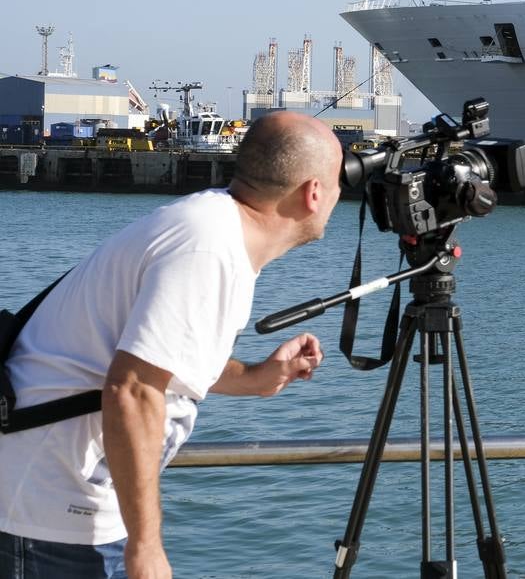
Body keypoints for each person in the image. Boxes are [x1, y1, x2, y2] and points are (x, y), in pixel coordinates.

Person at [0, 111, 343, 579]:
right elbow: (133, 389)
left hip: (65, 506)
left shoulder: (214, 226)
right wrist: (147, 548)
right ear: (314, 193)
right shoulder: (208, 249)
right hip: (52, 516)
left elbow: (159, 356)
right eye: (339, 180)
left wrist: (261, 378)